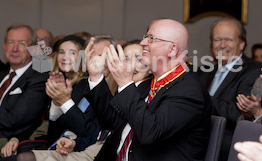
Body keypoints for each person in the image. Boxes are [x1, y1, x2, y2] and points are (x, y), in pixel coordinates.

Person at [84, 18, 211, 160]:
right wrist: (96, 77)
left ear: (172, 49)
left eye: (151, 39)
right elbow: (113, 122)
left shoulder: (188, 91)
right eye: (146, 37)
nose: (142, 43)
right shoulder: (152, 83)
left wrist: (125, 83)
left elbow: (150, 133)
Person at [15, 40, 153, 161]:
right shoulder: (85, 85)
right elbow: (99, 131)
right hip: (75, 145)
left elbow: (98, 128)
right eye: (127, 58)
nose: (97, 60)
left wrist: (64, 102)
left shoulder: (125, 89)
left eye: (139, 58)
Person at [0, 35, 100, 160]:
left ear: (83, 57)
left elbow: (87, 131)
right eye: (61, 52)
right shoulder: (56, 80)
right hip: (49, 145)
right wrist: (56, 102)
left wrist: (64, 101)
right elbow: (46, 127)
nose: (65, 57)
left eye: (72, 52)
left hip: (76, 150)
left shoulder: (88, 85)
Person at [198, 17, 262, 161]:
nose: (222, 45)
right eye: (217, 39)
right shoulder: (205, 71)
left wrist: (200, 98)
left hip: (227, 150)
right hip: (199, 146)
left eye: (228, 39)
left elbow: (238, 113)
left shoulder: (254, 71)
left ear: (242, 43)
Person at [0, 23, 50, 160]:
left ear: (33, 48)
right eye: (11, 42)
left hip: (1, 142)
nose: (15, 48)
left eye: (22, 43)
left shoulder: (39, 78)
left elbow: (13, 119)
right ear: (4, 46)